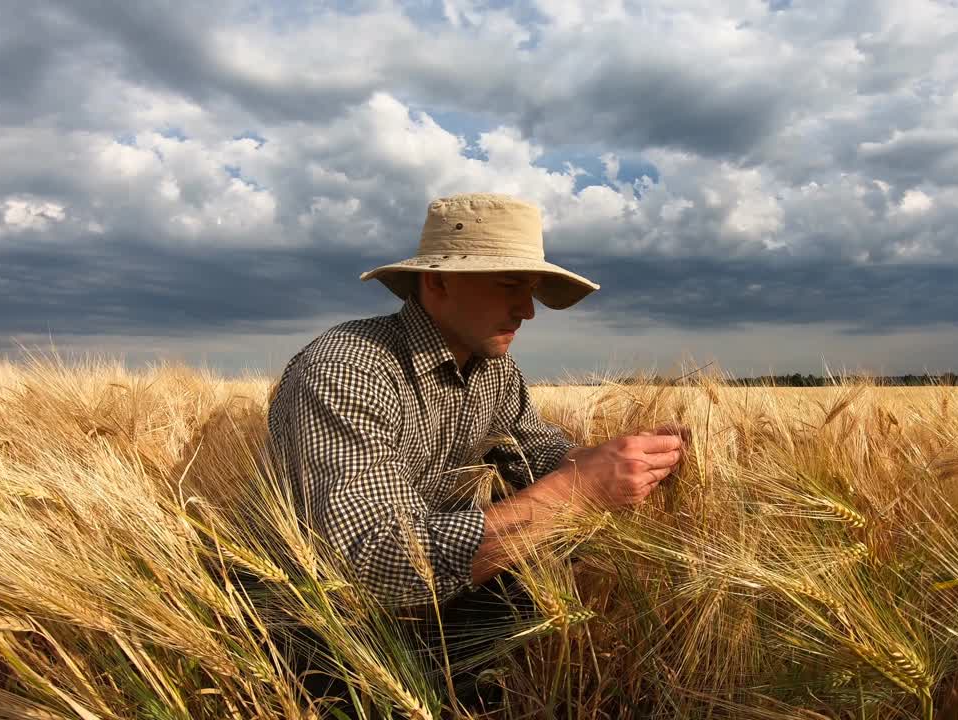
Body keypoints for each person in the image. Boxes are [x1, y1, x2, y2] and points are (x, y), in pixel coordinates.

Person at [266, 192, 687, 711]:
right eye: (511, 284)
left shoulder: (495, 371)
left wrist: (624, 460)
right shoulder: (348, 369)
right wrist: (579, 491)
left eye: (531, 289)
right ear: (437, 280)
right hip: (327, 644)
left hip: (440, 616)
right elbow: (372, 561)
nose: (528, 310)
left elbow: (536, 449)